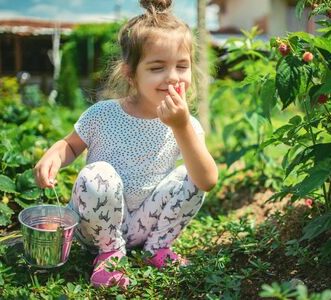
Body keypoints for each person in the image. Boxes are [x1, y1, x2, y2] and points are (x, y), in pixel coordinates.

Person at [34, 0, 218, 289]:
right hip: (97, 226)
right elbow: (70, 146)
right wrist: (55, 155)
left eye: (182, 66)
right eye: (157, 67)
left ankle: (156, 249)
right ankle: (110, 254)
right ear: (131, 73)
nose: (172, 77)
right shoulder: (103, 114)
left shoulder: (187, 126)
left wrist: (182, 127)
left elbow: (207, 181)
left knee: (191, 174)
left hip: (146, 225)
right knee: (99, 174)